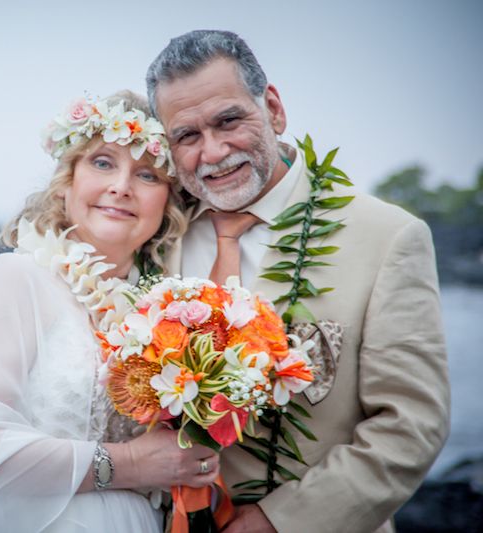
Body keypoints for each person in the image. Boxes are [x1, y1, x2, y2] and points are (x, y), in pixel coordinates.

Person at [146, 30, 450, 533]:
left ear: (273, 108)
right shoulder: (157, 229)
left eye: (228, 121)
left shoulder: (387, 237)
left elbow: (411, 426)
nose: (214, 152)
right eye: (188, 136)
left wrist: (277, 522)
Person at [0, 90, 222, 533]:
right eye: (103, 163)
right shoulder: (12, 281)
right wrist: (130, 465)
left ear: (169, 203)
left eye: (147, 174)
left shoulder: (163, 315)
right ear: (66, 183)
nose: (121, 186)